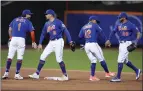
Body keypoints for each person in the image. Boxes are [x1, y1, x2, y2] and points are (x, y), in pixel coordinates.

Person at [29, 9, 74, 81]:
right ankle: (37, 74)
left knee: (59, 59)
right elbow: (43, 33)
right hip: (51, 42)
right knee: (42, 56)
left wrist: (70, 41)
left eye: (47, 14)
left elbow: (65, 31)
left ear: (51, 15)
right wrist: (40, 43)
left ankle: (65, 75)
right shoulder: (46, 24)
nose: (45, 15)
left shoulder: (58, 22)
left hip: (58, 41)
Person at [105, 12, 141, 82]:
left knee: (120, 60)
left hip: (127, 44)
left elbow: (138, 33)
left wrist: (136, 42)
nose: (119, 18)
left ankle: (118, 77)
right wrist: (109, 39)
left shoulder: (130, 25)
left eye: (120, 17)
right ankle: (137, 70)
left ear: (124, 18)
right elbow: (113, 31)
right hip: (121, 44)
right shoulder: (119, 24)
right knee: (125, 61)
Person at [2, 9, 37, 80]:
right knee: (19, 57)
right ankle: (17, 74)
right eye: (29, 14)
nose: (30, 15)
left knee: (10, 57)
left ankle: (6, 73)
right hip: (21, 40)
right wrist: (33, 42)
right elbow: (32, 32)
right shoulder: (28, 22)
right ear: (26, 15)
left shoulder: (15, 19)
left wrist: (11, 37)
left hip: (13, 39)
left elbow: (9, 29)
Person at [78, 15, 115, 81]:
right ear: (93, 20)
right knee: (101, 59)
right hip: (93, 44)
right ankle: (107, 73)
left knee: (93, 60)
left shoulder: (84, 27)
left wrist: (87, 39)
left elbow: (80, 36)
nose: (96, 22)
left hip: (87, 45)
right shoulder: (95, 25)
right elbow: (101, 32)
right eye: (96, 21)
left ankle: (92, 76)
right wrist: (106, 40)